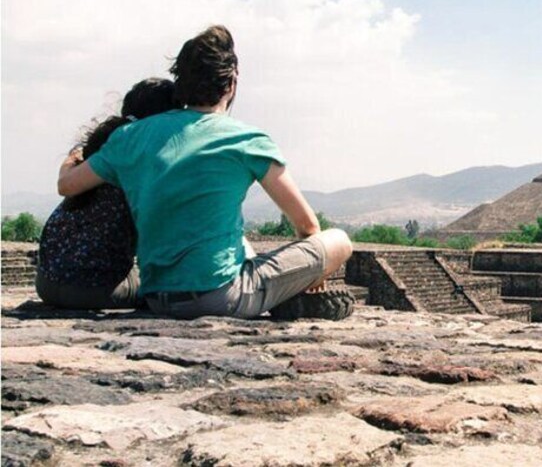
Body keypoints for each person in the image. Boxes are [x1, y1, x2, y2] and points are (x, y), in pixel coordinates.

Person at [56, 26, 353, 319]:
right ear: (231, 84)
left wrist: (75, 154)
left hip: (156, 296)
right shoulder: (247, 140)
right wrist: (310, 276)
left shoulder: (131, 136)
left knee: (237, 240)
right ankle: (284, 298)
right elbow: (308, 226)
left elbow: (67, 185)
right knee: (339, 240)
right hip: (222, 297)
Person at [38, 78, 178, 309]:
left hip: (46, 283)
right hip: (95, 291)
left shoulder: (99, 157)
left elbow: (65, 182)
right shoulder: (140, 164)